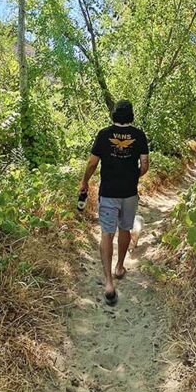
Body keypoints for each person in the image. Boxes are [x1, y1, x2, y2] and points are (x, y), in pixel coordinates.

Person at [79, 99, 149, 305]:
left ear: (114, 115)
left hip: (108, 192)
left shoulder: (103, 134)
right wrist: (132, 176)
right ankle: (119, 267)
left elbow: (92, 162)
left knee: (107, 234)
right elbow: (145, 165)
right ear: (131, 116)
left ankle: (109, 283)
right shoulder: (139, 136)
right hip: (129, 193)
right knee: (125, 229)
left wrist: (84, 182)